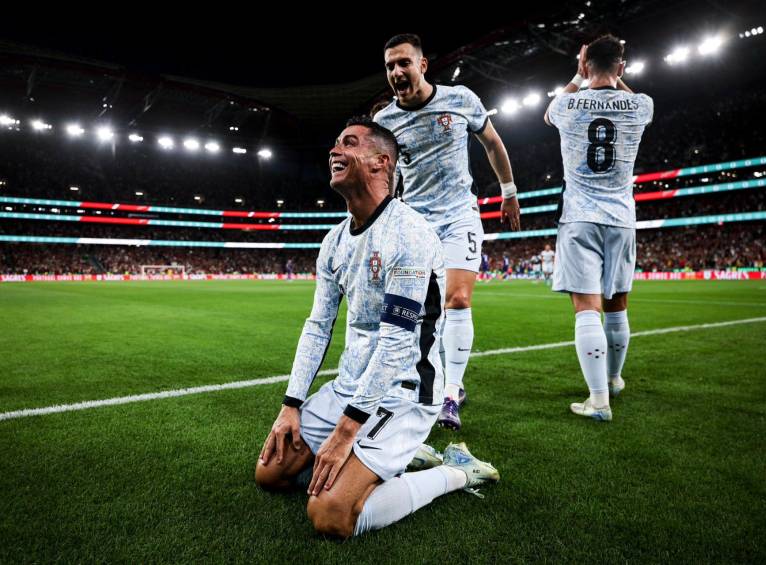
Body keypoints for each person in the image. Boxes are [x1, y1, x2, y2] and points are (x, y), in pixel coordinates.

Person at [254, 118, 499, 539]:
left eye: (348, 143)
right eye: (334, 143)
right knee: (270, 474)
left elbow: (395, 344)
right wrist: (290, 403)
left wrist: (346, 431)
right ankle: (387, 459)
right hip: (350, 387)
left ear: (380, 162)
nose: (334, 150)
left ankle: (456, 473)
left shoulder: (409, 234)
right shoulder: (333, 241)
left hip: (405, 392)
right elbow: (318, 326)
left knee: (330, 514)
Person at [374, 33, 521, 431]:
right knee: (417, 312)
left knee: (457, 299)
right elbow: (383, 180)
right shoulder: (384, 123)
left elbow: (492, 142)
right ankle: (423, 382)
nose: (396, 72)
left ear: (422, 65)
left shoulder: (460, 100)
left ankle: (451, 393)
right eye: (389, 66)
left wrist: (508, 192)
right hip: (414, 225)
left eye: (404, 62)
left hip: (458, 215)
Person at [544, 35, 653, 421]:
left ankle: (598, 399)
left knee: (586, 309)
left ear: (586, 63)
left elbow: (547, 115)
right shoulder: (641, 105)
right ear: (622, 67)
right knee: (617, 303)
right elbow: (625, 92)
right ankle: (615, 378)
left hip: (579, 218)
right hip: (622, 217)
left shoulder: (567, 104)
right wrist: (614, 76)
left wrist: (578, 75)